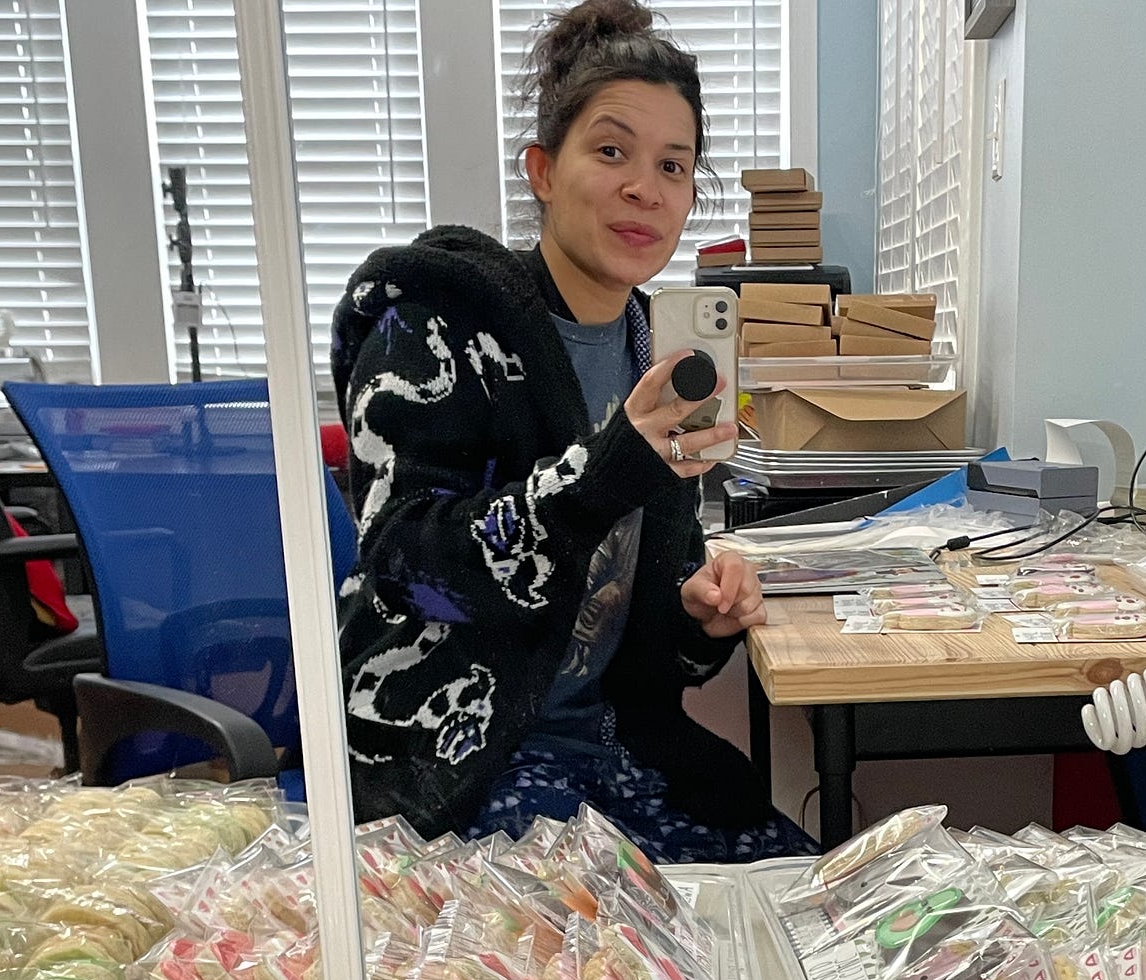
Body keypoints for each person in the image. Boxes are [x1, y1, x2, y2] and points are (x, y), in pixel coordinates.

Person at [331, 0, 816, 861]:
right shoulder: (436, 326)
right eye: (611, 151)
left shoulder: (654, 354)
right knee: (625, 939)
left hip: (614, 753)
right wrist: (600, 474)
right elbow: (402, 565)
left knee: (809, 901)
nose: (645, 189)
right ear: (544, 172)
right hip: (458, 758)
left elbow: (637, 628)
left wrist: (697, 617)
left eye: (673, 166)